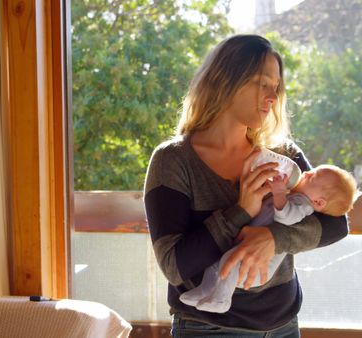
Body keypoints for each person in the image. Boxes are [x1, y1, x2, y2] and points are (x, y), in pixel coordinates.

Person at [143, 34, 349, 337]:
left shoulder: (284, 155)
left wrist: (272, 237)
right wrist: (241, 211)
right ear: (225, 80)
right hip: (207, 329)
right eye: (262, 83)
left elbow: (337, 223)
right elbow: (175, 266)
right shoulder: (173, 161)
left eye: (276, 88)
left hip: (283, 326)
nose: (272, 97)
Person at [179, 160, 358, 313]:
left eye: (312, 177)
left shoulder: (303, 205)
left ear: (319, 202)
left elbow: (286, 215)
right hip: (245, 250)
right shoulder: (296, 192)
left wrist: (279, 193)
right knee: (218, 263)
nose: (306, 172)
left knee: (227, 261)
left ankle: (221, 300)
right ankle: (204, 291)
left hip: (257, 267)